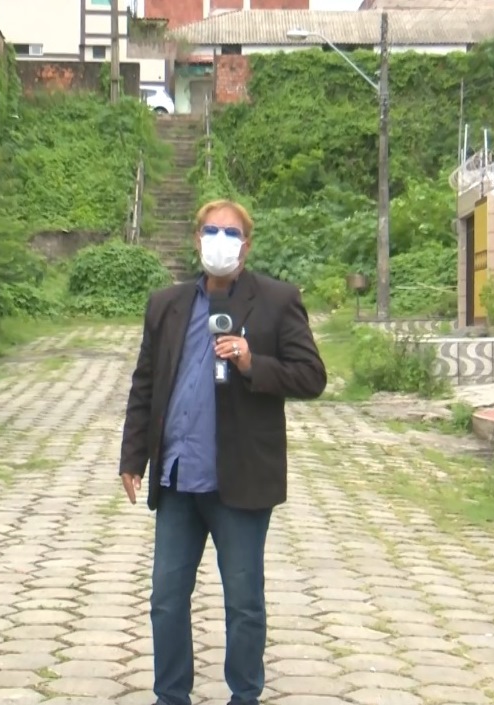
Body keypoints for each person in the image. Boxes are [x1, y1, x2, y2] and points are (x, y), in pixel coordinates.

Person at [119, 199, 328, 705]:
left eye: (231, 233)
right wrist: (132, 457)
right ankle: (171, 695)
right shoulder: (166, 305)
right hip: (177, 478)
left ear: (246, 245)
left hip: (239, 479)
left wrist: (254, 363)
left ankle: (244, 694)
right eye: (211, 231)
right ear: (196, 239)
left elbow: (311, 376)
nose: (220, 240)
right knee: (166, 598)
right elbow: (145, 384)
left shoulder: (276, 301)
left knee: (243, 601)